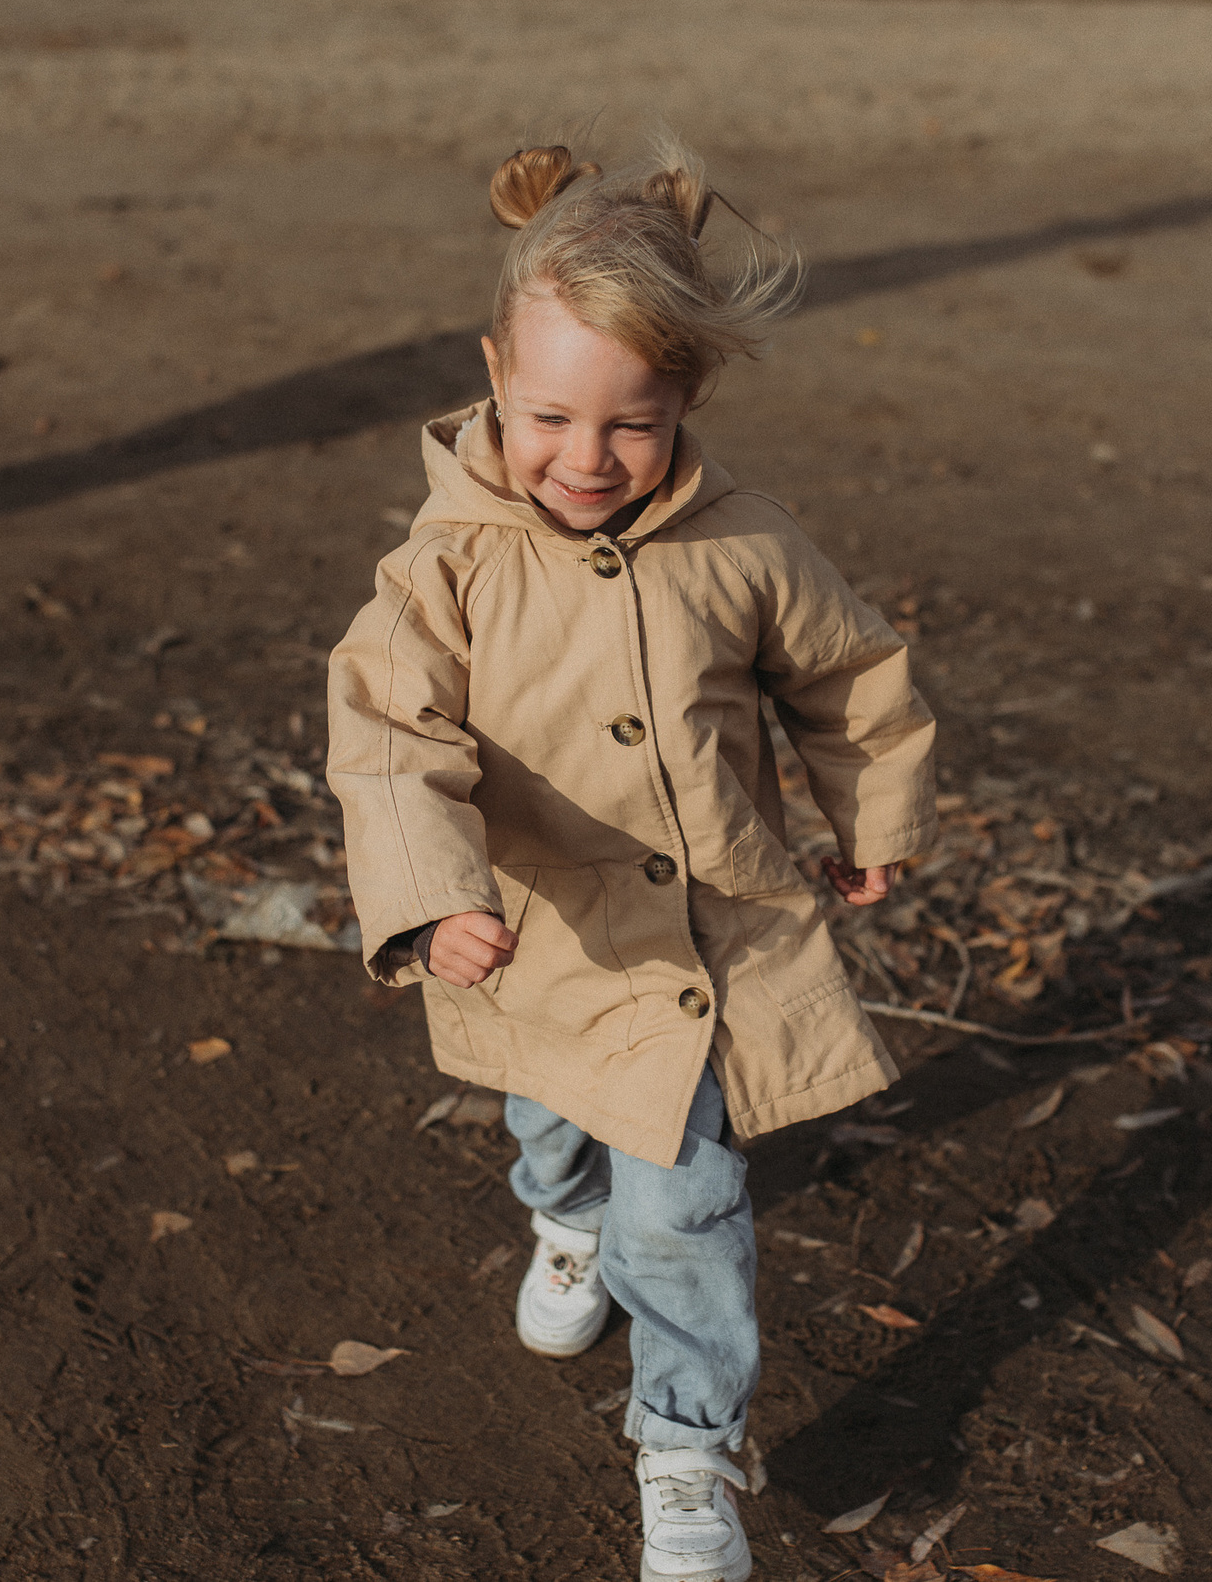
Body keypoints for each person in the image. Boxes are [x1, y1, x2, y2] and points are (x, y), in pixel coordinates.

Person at [328, 137, 938, 1582]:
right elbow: (386, 737)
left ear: (688, 401)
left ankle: (684, 1446)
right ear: (493, 371)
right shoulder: (448, 566)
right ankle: (561, 1215)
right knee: (553, 1126)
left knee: (691, 1204)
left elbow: (850, 679)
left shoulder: (747, 548)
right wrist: (431, 896)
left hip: (703, 952)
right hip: (537, 939)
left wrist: (875, 816)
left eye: (632, 427)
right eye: (549, 417)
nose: (586, 460)